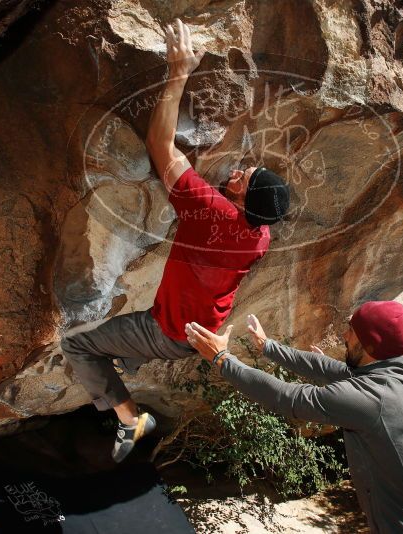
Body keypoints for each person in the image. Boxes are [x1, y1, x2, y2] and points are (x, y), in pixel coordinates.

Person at [61, 19, 290, 462]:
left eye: (247, 177)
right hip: (194, 327)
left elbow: (161, 145)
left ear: (243, 199)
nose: (240, 170)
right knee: (121, 346)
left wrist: (179, 72)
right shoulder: (257, 235)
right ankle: (123, 363)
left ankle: (131, 420)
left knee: (77, 344)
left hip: (166, 330)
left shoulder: (212, 213)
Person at [184, 301, 403, 533]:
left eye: (352, 331)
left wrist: (222, 359)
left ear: (371, 346)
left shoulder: (372, 398)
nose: (344, 336)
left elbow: (288, 398)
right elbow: (326, 367)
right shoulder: (400, 374)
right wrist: (268, 347)